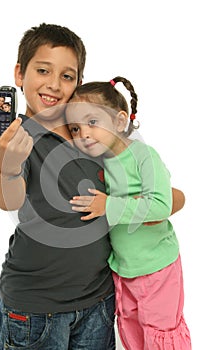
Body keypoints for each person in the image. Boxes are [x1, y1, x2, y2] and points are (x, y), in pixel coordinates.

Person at [0, 24, 185, 350]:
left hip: (98, 299)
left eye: (67, 76)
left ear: (78, 83)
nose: (54, 84)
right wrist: (5, 162)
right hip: (35, 305)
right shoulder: (19, 137)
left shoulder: (99, 127)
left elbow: (172, 198)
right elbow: (8, 199)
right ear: (19, 74)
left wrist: (136, 207)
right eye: (42, 70)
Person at [65, 76, 192, 349]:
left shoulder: (144, 155)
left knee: (160, 333)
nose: (83, 133)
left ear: (120, 122)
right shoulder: (100, 161)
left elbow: (161, 204)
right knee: (131, 333)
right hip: (123, 269)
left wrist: (109, 205)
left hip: (157, 267)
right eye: (75, 127)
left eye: (93, 122)